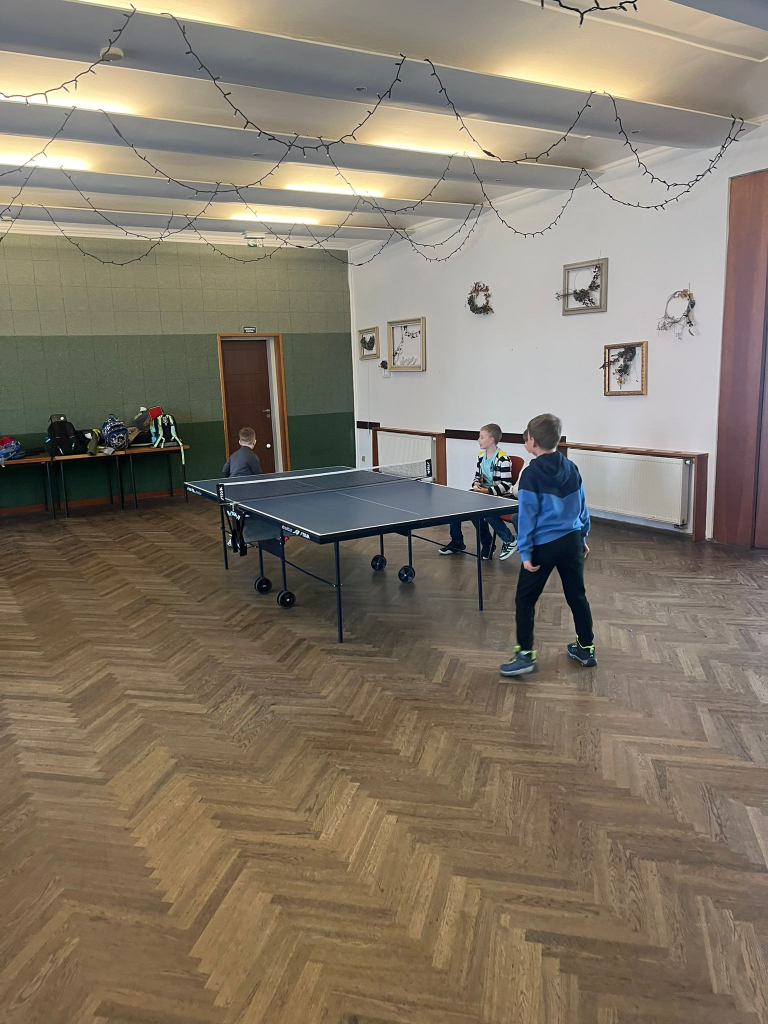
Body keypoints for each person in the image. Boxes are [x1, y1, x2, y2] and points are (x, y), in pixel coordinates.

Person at [500, 413, 595, 677]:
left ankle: (525, 656)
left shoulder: (530, 475)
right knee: (577, 595)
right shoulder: (571, 467)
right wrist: (583, 536)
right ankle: (586, 648)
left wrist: (526, 552)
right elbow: (582, 506)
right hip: (571, 542)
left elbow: (527, 517)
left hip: (543, 546)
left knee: (525, 599)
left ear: (531, 441)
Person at [438, 423, 518, 561]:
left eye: (481, 437)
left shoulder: (503, 459)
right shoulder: (481, 456)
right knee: (456, 506)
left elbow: (505, 485)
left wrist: (486, 491)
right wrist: (476, 484)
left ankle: (489, 544)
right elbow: (477, 476)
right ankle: (457, 542)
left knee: (478, 511)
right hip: (484, 494)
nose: (478, 440)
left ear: (491, 440)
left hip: (499, 496)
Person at [220, 427, 281, 553]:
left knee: (236, 513)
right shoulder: (253, 456)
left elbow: (225, 471)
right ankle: (255, 535)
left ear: (240, 442)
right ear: (254, 442)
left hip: (232, 491)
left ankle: (235, 537)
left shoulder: (233, 455)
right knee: (261, 507)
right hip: (246, 492)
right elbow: (257, 475)